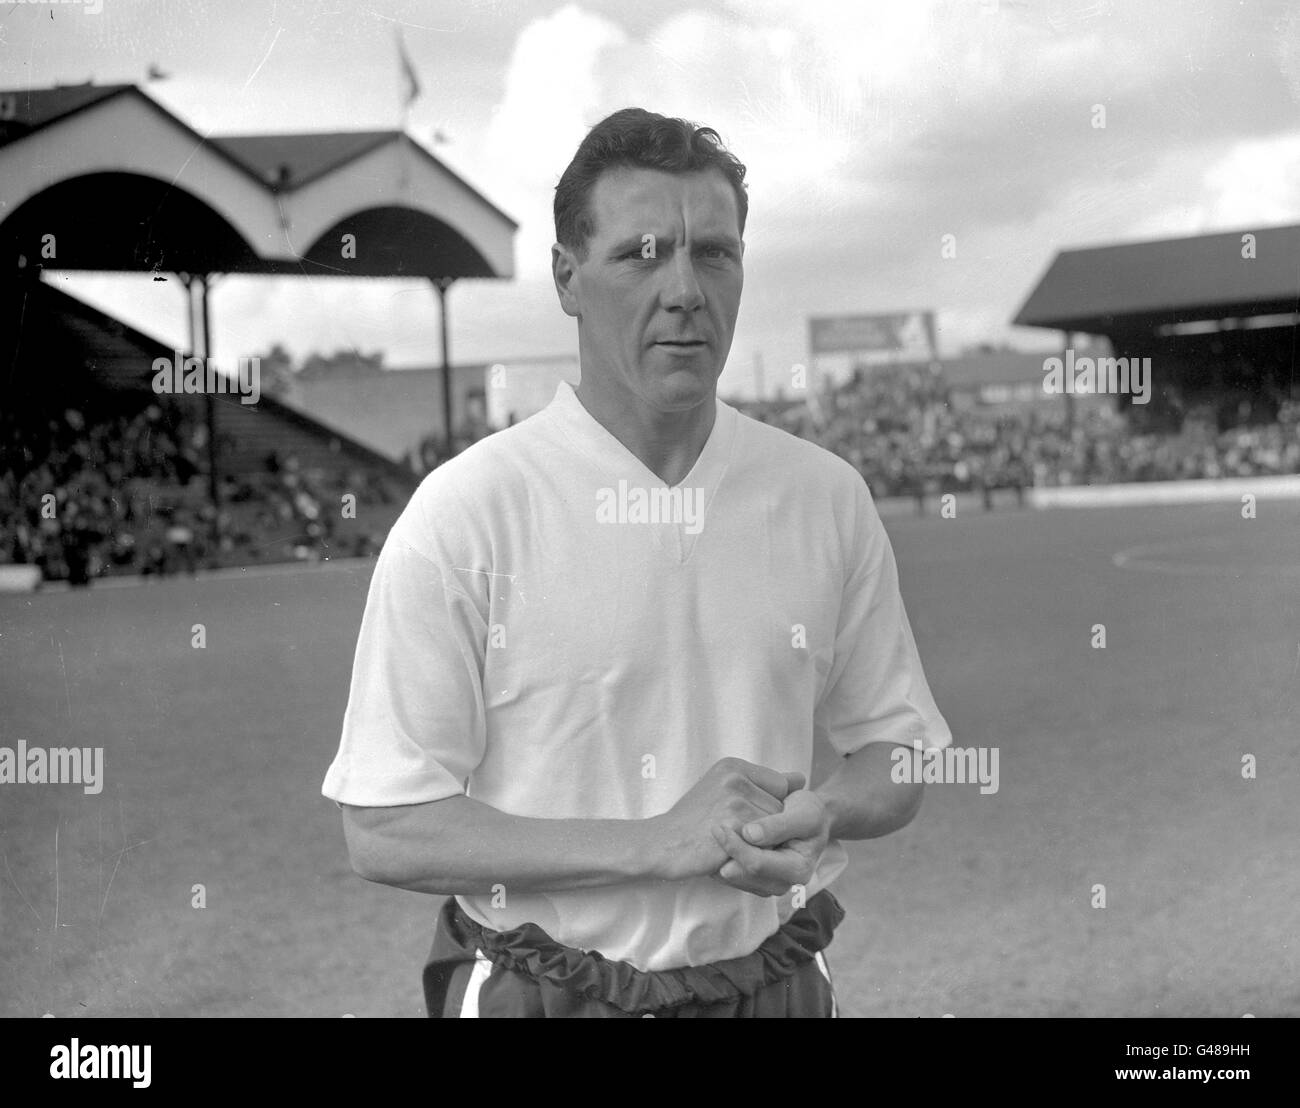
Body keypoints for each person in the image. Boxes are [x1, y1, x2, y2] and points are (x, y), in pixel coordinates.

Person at [322, 108, 952, 1018]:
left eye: (715, 254)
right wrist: (653, 842)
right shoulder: (468, 513)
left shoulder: (824, 495)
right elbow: (384, 828)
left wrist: (825, 811)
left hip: (769, 982)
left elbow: (895, 757)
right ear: (566, 278)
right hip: (546, 988)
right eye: (642, 254)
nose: (686, 289)